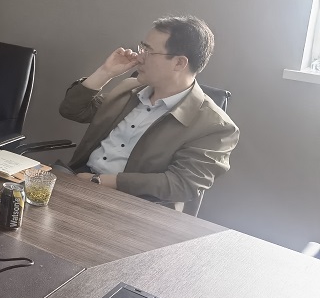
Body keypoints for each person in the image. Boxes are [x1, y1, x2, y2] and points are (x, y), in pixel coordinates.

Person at [59, 15, 238, 205]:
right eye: (141, 48)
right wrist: (106, 72)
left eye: (148, 51)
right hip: (78, 181)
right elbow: (72, 110)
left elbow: (182, 184)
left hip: (134, 206)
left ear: (179, 63)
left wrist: (101, 181)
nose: (139, 58)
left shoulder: (216, 127)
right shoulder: (130, 88)